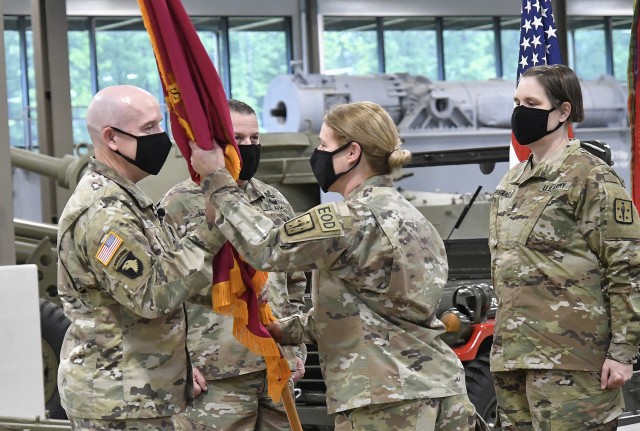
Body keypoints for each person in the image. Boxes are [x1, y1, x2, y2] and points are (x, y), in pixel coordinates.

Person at [188, 101, 478, 431]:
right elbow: (377, 309)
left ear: (352, 153)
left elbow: (266, 247)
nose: (319, 155)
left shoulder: (347, 219)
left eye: (324, 146)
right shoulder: (409, 216)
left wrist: (216, 181)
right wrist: (284, 330)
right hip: (440, 386)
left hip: (385, 399)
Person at [57, 85, 222, 430]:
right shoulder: (106, 212)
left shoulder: (128, 200)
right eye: (149, 128)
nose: (162, 137)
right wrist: (209, 230)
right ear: (112, 138)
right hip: (119, 399)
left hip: (142, 391)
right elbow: (153, 296)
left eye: (160, 124)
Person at [489, 64, 640, 430]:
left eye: (531, 102)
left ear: (563, 111)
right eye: (516, 101)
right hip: (514, 358)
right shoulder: (512, 181)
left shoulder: (589, 175)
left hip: (573, 363)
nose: (520, 112)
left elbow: (627, 266)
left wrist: (623, 353)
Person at [159, 99, 307, 431]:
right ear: (218, 145)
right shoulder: (179, 205)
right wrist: (177, 363)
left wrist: (295, 348)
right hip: (214, 374)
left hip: (274, 366)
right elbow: (161, 294)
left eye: (256, 139)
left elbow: (294, 280)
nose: (250, 147)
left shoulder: (273, 201)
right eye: (240, 139)